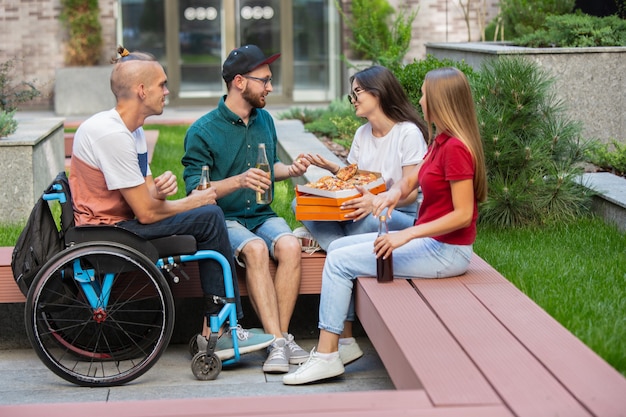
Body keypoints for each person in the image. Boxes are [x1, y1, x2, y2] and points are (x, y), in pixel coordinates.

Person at [283, 67, 488, 385]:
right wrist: (390, 196)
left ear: (440, 100)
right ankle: (337, 347)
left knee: (339, 260)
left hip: (446, 252)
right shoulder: (440, 141)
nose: (419, 99)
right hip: (431, 243)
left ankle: (327, 355)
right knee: (336, 248)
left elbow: (463, 215)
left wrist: (405, 234)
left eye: (424, 93)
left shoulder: (457, 149)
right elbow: (412, 179)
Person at [69, 47, 274, 363]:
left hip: (121, 222)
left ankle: (216, 328)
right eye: (162, 85)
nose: (167, 91)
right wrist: (191, 202)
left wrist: (164, 193)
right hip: (107, 231)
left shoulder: (132, 130)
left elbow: (150, 199)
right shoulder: (110, 134)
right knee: (208, 216)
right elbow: (147, 213)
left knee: (206, 213)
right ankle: (220, 328)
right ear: (141, 90)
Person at [182, 45, 311, 374]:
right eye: (264, 80)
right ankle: (279, 341)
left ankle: (277, 339)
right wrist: (237, 181)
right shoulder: (202, 130)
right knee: (255, 250)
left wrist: (291, 170)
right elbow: (195, 192)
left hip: (262, 215)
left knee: (290, 245)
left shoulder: (264, 119)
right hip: (225, 218)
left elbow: (268, 170)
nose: (270, 87)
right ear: (239, 82)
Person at [297, 65, 428, 251]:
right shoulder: (362, 133)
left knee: (371, 222)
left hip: (396, 211)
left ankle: (332, 243)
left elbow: (410, 195)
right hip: (363, 206)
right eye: (352, 94)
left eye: (357, 91)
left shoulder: (408, 133)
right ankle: (341, 245)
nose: (353, 99)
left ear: (378, 92)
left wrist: (373, 202)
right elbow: (354, 180)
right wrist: (334, 169)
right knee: (301, 203)